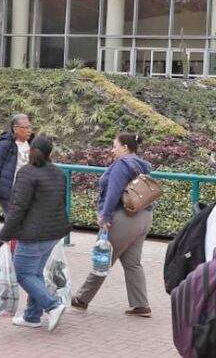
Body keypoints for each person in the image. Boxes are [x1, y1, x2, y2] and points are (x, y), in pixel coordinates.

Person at [71, 132, 155, 317]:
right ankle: (141, 304)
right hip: (144, 216)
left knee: (104, 258)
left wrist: (105, 216)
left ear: (125, 148)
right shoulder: (142, 165)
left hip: (124, 218)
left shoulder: (122, 165)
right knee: (133, 263)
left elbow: (114, 193)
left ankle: (82, 299)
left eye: (115, 146)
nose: (112, 149)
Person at [0, 137, 72, 332]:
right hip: (54, 232)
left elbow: (18, 208)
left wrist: (3, 235)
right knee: (35, 273)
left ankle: (53, 305)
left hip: (33, 234)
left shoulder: (27, 173)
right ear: (50, 153)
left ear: (31, 151)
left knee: (22, 273)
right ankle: (32, 316)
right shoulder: (58, 173)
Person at [0, 114, 34, 264]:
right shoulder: (6, 145)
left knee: (13, 225)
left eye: (30, 126)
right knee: (15, 226)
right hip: (8, 192)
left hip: (25, 192)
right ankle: (16, 261)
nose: (29, 130)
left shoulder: (30, 143)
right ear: (16, 129)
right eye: (26, 127)